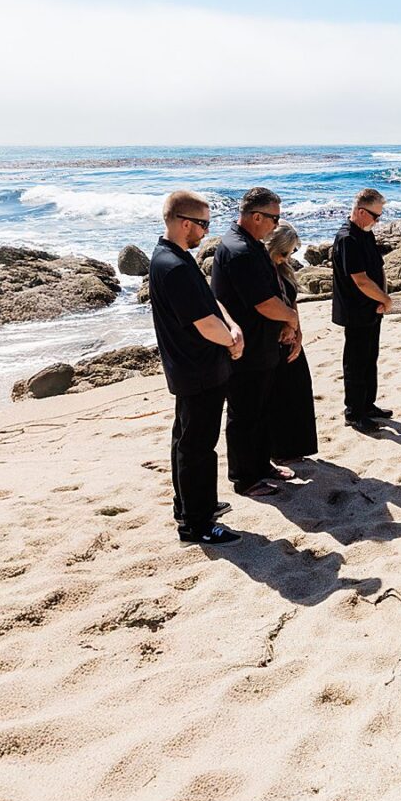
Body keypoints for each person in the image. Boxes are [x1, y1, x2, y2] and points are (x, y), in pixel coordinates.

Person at [148, 190, 245, 545]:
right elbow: (203, 323)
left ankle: (192, 505)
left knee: (188, 442)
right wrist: (232, 342)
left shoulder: (175, 257)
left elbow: (211, 302)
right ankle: (196, 523)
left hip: (195, 368)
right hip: (196, 369)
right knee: (196, 448)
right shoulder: (171, 265)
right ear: (185, 223)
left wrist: (232, 326)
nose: (206, 232)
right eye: (203, 224)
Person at [212, 187, 300, 499]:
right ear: (256, 216)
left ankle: (262, 464)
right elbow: (264, 303)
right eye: (274, 218)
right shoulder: (239, 250)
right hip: (245, 349)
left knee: (262, 410)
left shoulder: (250, 244)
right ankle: (245, 478)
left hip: (262, 347)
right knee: (245, 414)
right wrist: (291, 318)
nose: (277, 226)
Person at [332, 188, 394, 431]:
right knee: (356, 363)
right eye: (375, 216)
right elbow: (360, 279)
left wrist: (382, 298)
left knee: (370, 359)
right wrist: (386, 300)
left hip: (372, 308)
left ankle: (368, 404)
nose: (378, 221)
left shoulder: (365, 233)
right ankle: (354, 412)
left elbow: (377, 269)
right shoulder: (348, 238)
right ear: (360, 211)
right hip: (355, 310)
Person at [265, 221, 318, 464]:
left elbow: (292, 301)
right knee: (278, 397)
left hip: (290, 335)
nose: (286, 257)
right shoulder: (262, 269)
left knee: (298, 391)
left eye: (292, 252)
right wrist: (285, 327)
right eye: (284, 252)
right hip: (272, 338)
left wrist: (297, 332)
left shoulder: (284, 269)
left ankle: (296, 448)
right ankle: (279, 451)